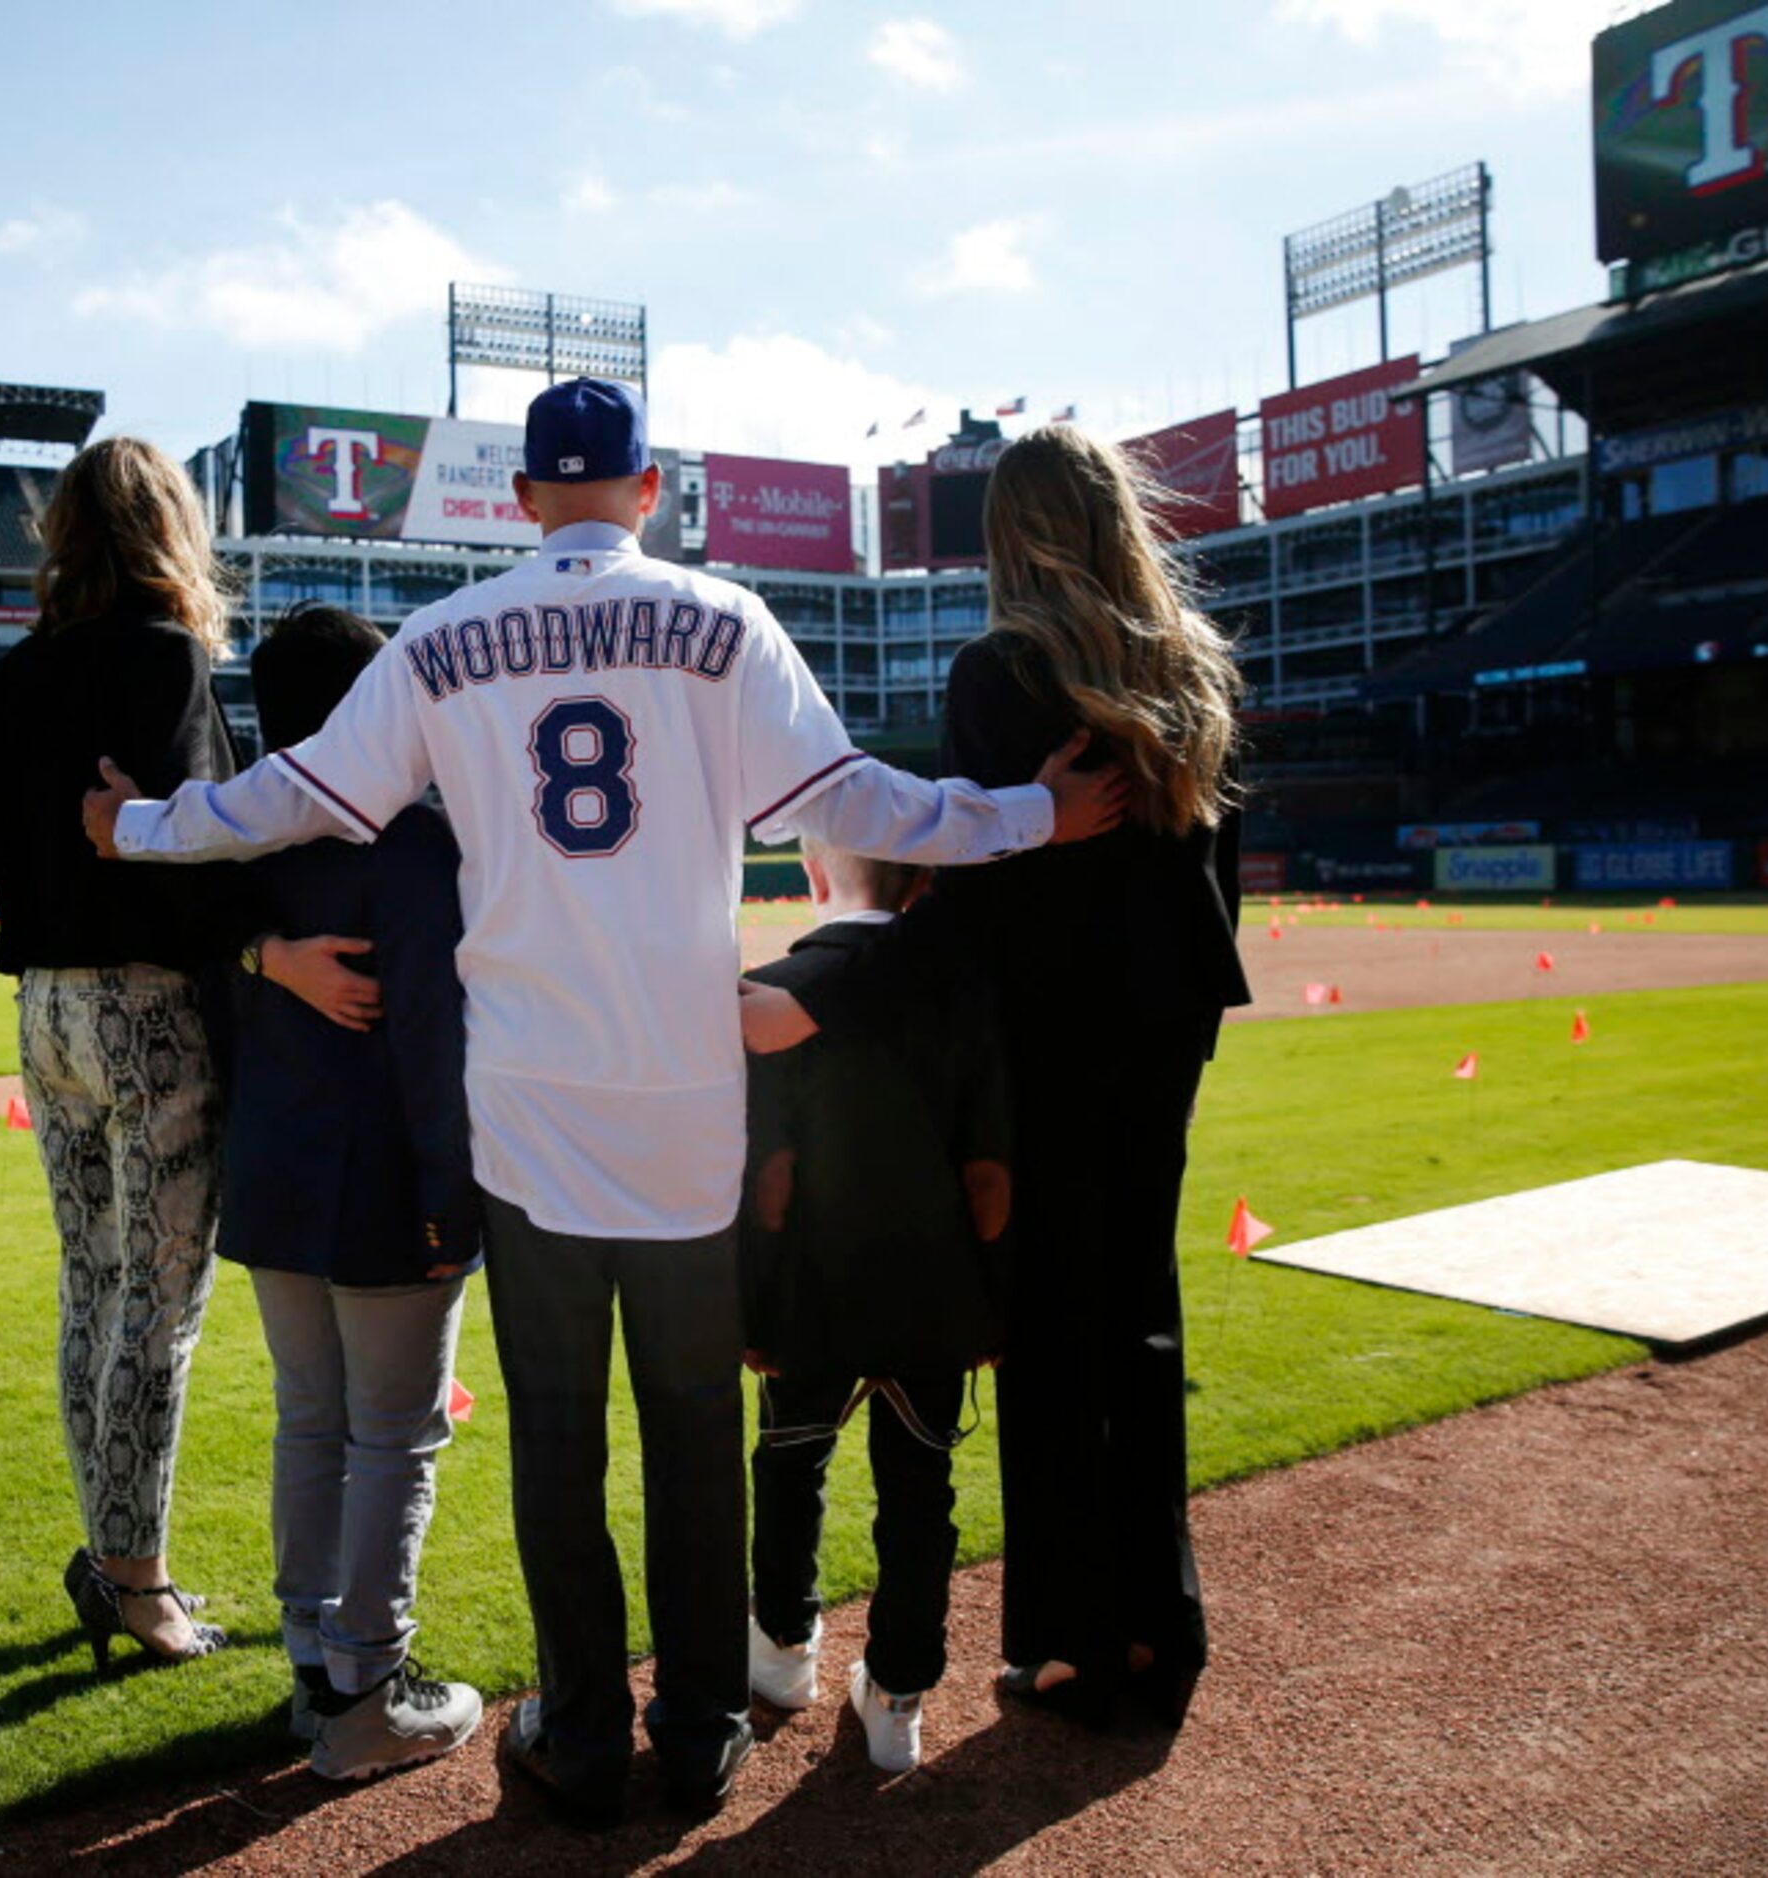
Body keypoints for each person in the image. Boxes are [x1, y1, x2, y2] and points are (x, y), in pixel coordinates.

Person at [80, 378, 1128, 1826]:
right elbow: (866, 806)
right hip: (687, 1106)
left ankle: (579, 1729)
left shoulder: (444, 640)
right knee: (695, 1431)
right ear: (649, 492)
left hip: (529, 1111)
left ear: (521, 501)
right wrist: (1031, 815)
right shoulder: (726, 621)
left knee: (558, 1438)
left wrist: (133, 824)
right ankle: (696, 1729)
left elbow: (289, 797)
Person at [739, 422, 1249, 1730]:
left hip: (1052, 1038)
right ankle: (1160, 1620)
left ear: (1006, 535)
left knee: (1046, 1336)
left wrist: (825, 990)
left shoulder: (1008, 669)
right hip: (1168, 1024)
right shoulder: (1188, 665)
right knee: (1142, 1312)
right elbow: (1212, 881)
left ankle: (1072, 1636)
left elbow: (967, 896)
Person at [0, 434, 376, 1673]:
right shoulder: (165, 660)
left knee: (92, 1291)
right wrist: (265, 950)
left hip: (46, 1012)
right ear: (170, 531)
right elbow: (195, 852)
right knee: (158, 1306)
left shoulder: (12, 675)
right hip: (151, 1014)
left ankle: (113, 1556)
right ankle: (137, 1579)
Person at [217, 602, 486, 1779]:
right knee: (390, 1434)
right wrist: (455, 1197)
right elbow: (432, 1038)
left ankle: (311, 1669)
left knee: (311, 1422)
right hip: (379, 1177)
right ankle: (367, 1687)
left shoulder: (238, 840)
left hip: (273, 1171)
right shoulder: (415, 843)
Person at [738, 836, 1011, 1774]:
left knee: (787, 1464)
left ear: (814, 876)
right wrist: (994, 1308)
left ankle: (781, 1654)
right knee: (921, 1492)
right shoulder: (964, 994)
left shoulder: (770, 990)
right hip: (934, 1300)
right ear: (926, 881)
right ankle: (898, 1695)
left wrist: (750, 1310)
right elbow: (989, 1180)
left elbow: (768, 1180)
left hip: (811, 1294)